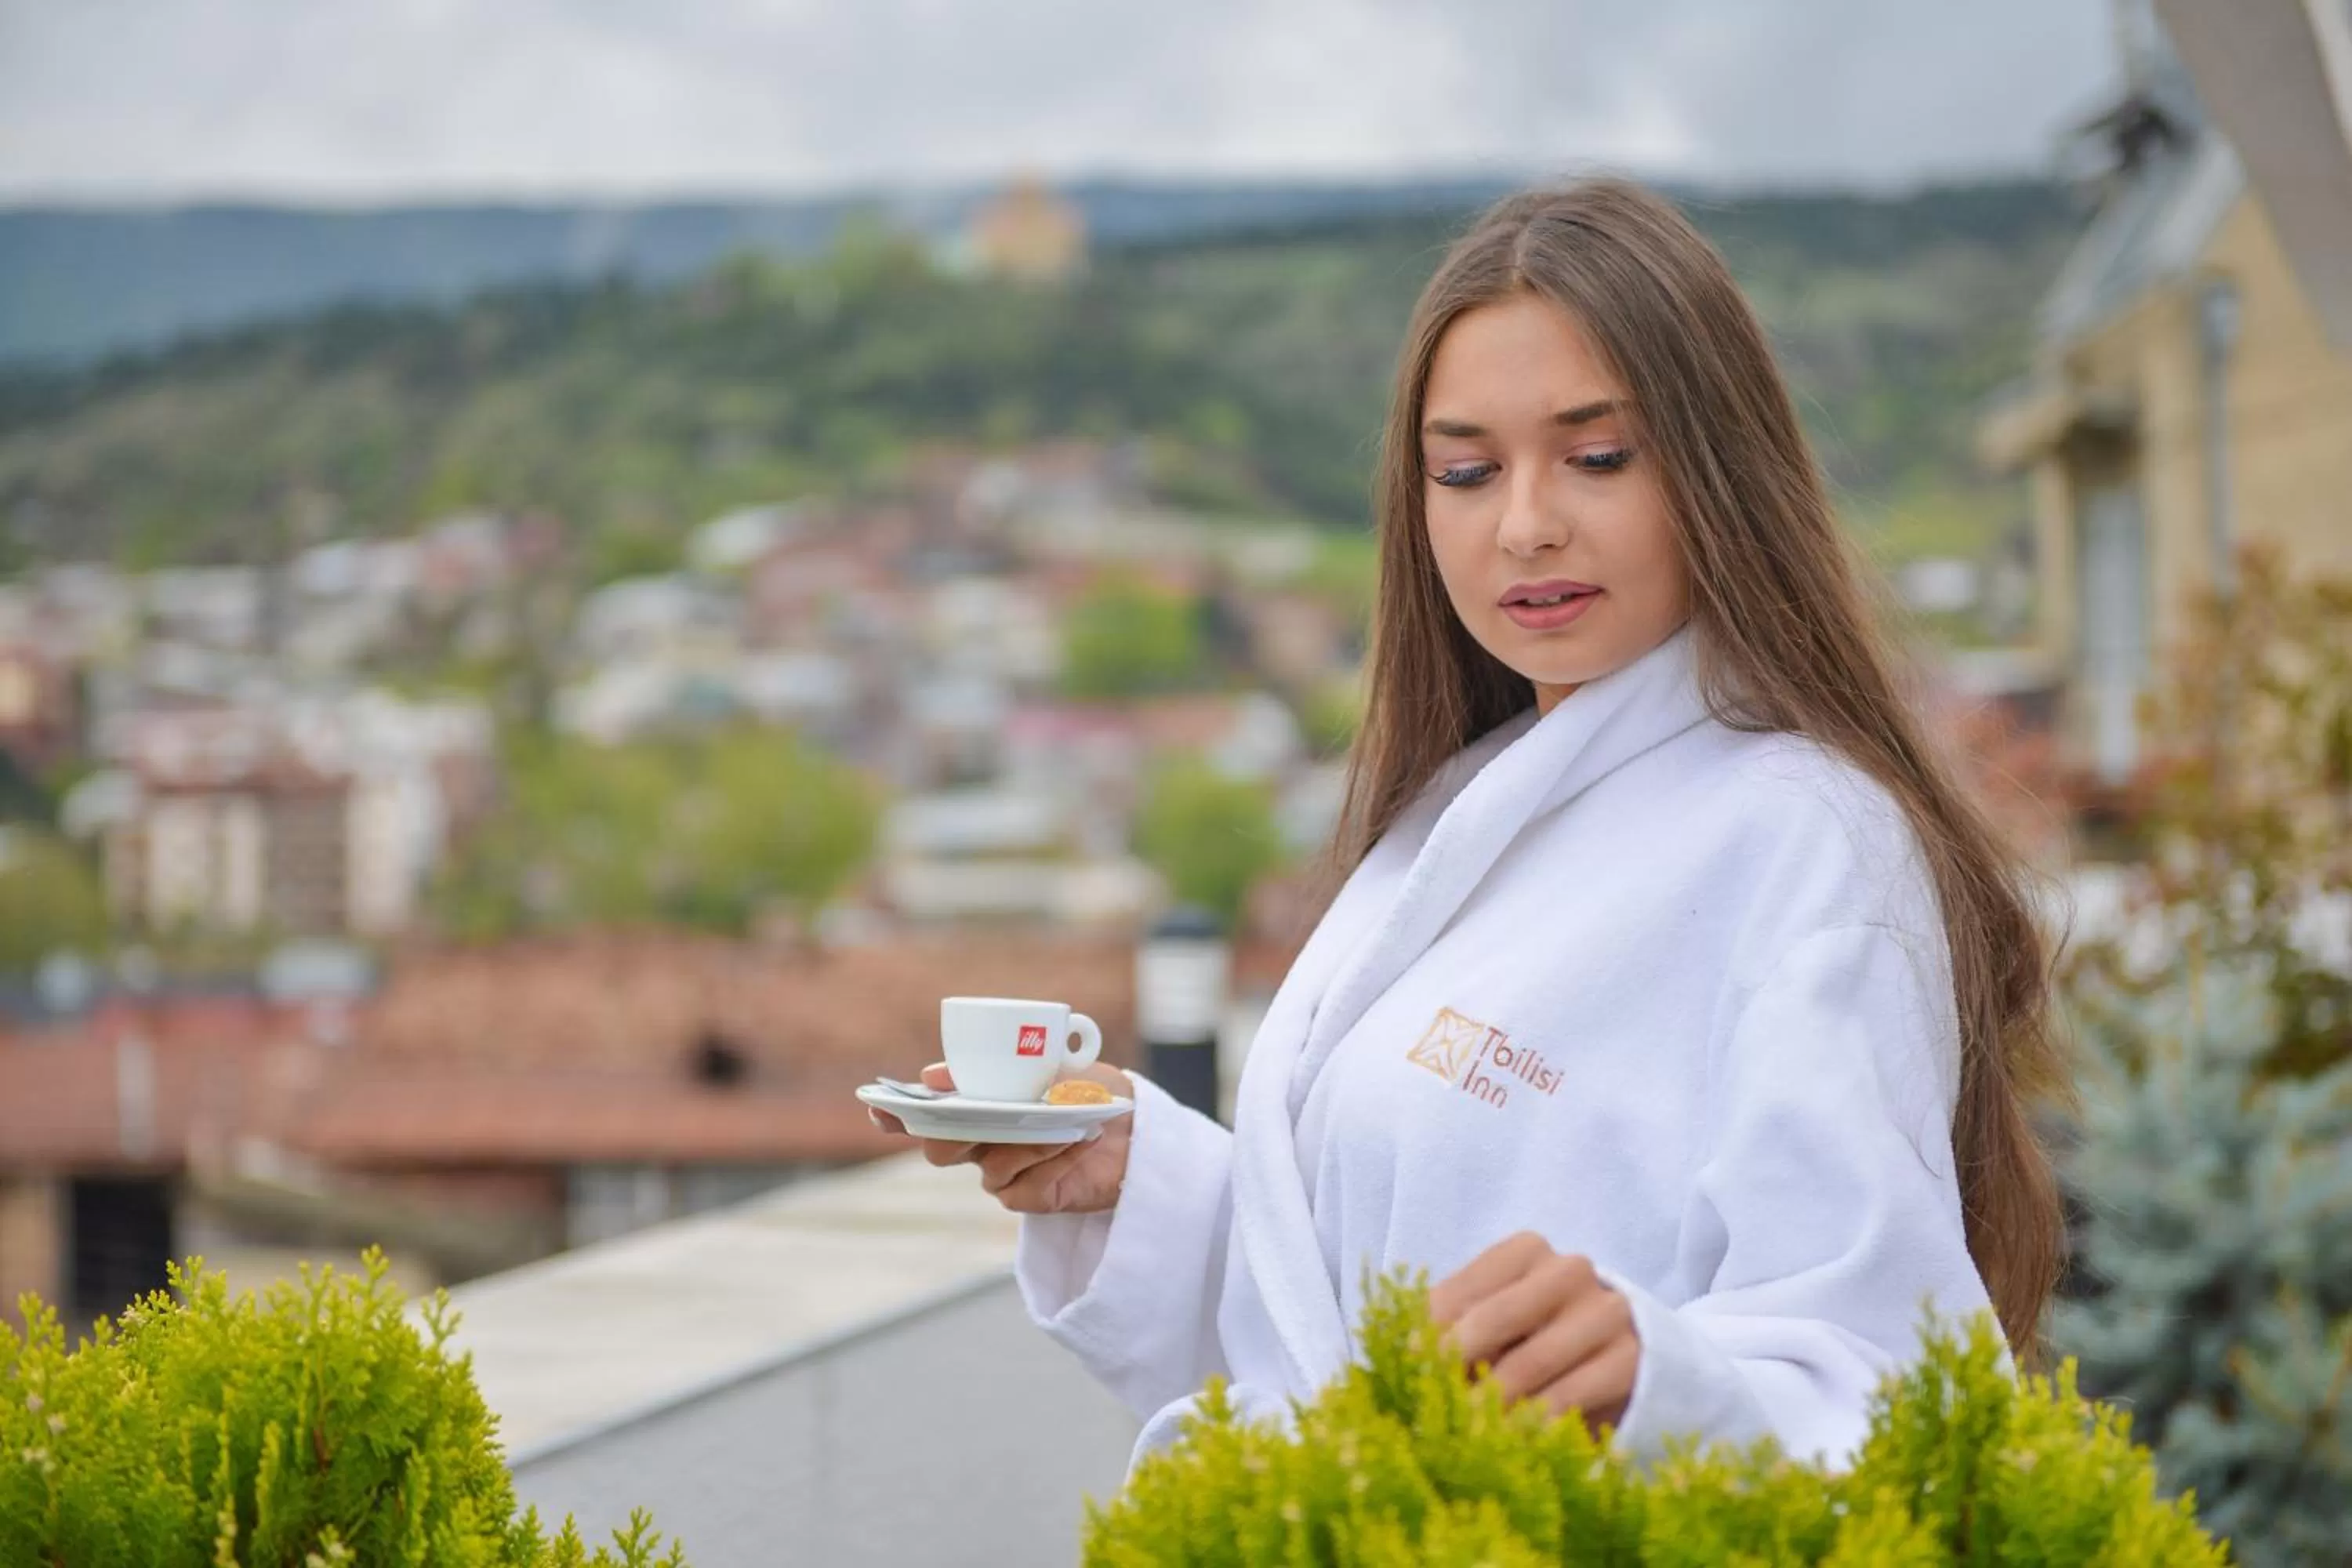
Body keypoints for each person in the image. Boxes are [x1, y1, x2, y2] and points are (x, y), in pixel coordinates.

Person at [869, 178, 2067, 1468]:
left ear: (1719, 471)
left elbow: (1881, 1376)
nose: (1526, 525)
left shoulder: (1810, 843)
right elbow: (1338, 1322)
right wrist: (1137, 1177)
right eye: (1467, 471)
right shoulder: (1454, 815)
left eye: (1598, 458)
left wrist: (1657, 1381)